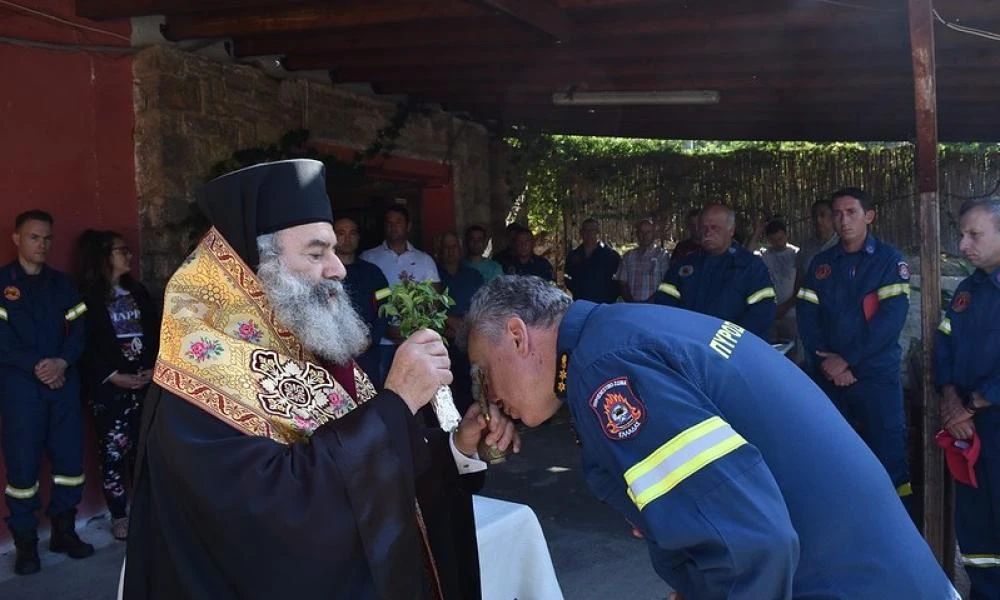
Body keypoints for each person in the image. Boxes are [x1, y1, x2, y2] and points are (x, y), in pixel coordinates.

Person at [123, 159, 518, 599]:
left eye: (333, 249)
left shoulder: (308, 342)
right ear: (254, 264)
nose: (338, 268)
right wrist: (396, 402)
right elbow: (276, 521)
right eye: (316, 253)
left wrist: (455, 449)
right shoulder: (198, 373)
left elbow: (368, 467)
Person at [463, 275, 959, 600]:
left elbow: (747, 545)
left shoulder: (606, 371)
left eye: (483, 373)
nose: (487, 397)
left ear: (516, 335)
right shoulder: (619, 331)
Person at [797, 188, 913, 506]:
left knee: (888, 460)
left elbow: (890, 321)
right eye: (837, 213)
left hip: (876, 378)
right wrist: (827, 363)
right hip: (828, 378)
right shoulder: (821, 264)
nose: (843, 220)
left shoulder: (889, 261)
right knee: (830, 458)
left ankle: (899, 542)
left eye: (851, 212)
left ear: (869, 216)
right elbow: (807, 318)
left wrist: (847, 360)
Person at [0, 210, 94, 575]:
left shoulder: (63, 284)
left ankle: (64, 532)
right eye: (34, 237)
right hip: (22, 389)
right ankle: (26, 544)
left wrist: (61, 363)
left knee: (70, 463)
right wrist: (40, 366)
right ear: (16, 239)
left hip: (63, 385)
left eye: (47, 238)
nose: (42, 245)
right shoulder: (3, 284)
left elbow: (81, 330)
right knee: (23, 468)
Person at [72, 230, 160, 542]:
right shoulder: (87, 299)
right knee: (112, 453)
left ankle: (146, 511)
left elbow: (156, 332)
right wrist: (112, 375)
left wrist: (152, 368)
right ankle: (119, 515)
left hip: (144, 384)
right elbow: (83, 345)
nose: (129, 256)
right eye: (122, 250)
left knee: (144, 451)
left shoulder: (138, 293)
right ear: (104, 256)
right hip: (110, 390)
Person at [935, 197, 1000, 597]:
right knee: (976, 531)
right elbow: (944, 345)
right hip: (969, 429)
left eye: (974, 234)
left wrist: (971, 404)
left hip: (985, 417)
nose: (963, 244)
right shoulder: (968, 288)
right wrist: (948, 400)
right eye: (962, 234)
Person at [651, 204, 776, 340]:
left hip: (733, 351)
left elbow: (762, 313)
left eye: (714, 227)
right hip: (689, 345)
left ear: (731, 230)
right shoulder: (685, 266)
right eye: (703, 228)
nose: (708, 232)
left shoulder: (750, 267)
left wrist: (724, 341)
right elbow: (664, 306)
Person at [360, 205, 440, 386]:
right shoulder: (369, 257)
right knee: (382, 390)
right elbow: (365, 302)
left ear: (408, 226)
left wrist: (414, 330)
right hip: (382, 344)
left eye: (398, 222)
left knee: (418, 391)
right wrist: (384, 329)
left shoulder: (424, 260)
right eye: (389, 222)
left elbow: (434, 301)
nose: (393, 226)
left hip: (416, 341)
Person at [334, 216, 389, 386]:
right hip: (332, 354)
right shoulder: (322, 275)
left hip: (368, 354)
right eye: (341, 233)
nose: (347, 239)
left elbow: (385, 308)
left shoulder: (374, 273)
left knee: (371, 402)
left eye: (352, 233)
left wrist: (373, 338)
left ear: (358, 238)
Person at [436, 232, 485, 416]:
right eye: (446, 248)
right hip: (443, 340)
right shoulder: (434, 275)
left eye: (454, 247)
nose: (450, 251)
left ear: (460, 249)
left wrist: (463, 326)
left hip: (468, 341)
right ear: (439, 251)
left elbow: (481, 307)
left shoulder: (473, 276)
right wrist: (447, 320)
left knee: (469, 389)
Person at [757, 220, 799, 345]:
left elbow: (802, 284)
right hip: (770, 313)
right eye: (773, 240)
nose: (778, 243)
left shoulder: (797, 254)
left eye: (780, 238)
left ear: (787, 235)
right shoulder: (764, 255)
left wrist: (786, 306)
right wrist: (756, 233)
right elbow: (746, 254)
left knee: (793, 351)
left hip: (792, 313)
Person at [564, 218, 621, 303]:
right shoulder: (573, 256)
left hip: (604, 304)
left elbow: (619, 280)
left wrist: (610, 296)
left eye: (592, 230)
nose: (588, 234)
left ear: (597, 232)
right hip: (581, 302)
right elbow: (567, 277)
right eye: (585, 230)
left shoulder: (611, 255)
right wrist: (577, 291)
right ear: (581, 233)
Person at [616, 218, 670, 303]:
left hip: (654, 308)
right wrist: (631, 303)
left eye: (648, 232)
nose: (644, 236)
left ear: (654, 234)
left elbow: (667, 284)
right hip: (631, 307)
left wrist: (649, 302)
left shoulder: (662, 256)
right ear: (637, 234)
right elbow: (622, 283)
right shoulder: (628, 256)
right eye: (641, 232)